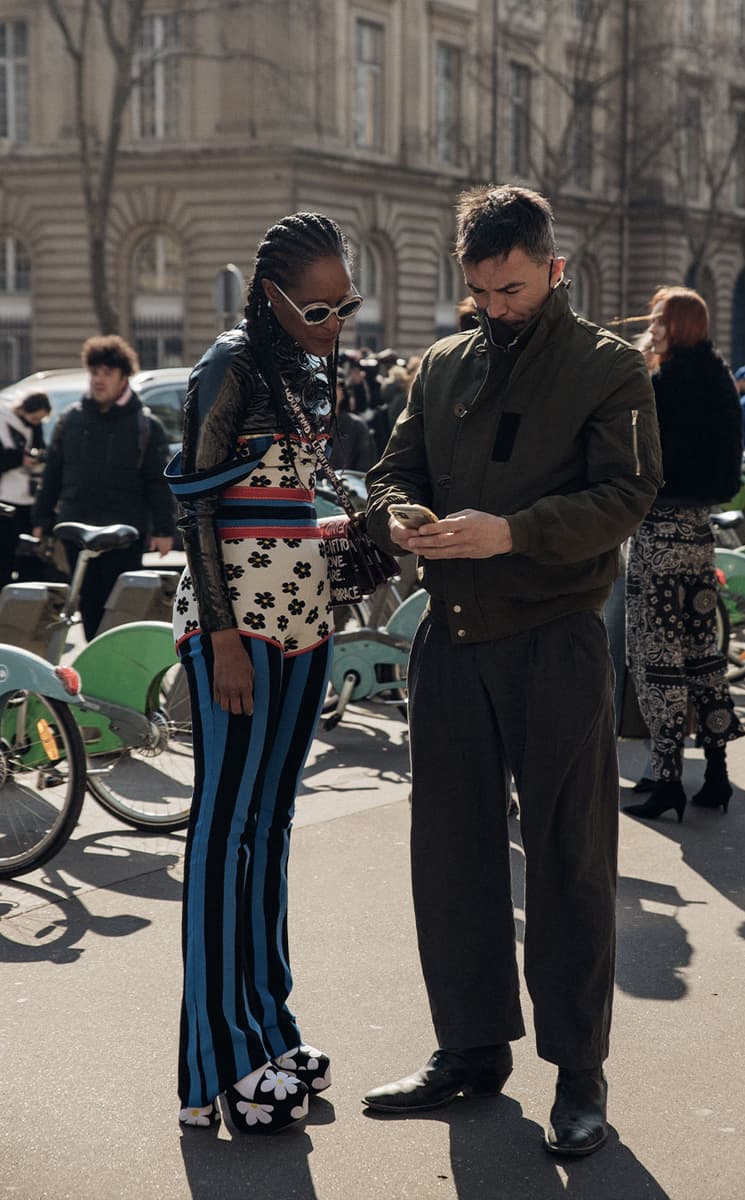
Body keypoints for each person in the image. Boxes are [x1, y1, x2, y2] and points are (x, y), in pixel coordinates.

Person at [362, 185, 662, 1157]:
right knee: (448, 853)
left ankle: (580, 1075)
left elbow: (626, 494)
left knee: (570, 863)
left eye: (514, 288)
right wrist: (400, 516)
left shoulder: (607, 368)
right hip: (449, 639)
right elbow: (392, 470)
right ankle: (469, 1047)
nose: (495, 306)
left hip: (554, 642)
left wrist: (511, 534)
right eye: (481, 291)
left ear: (553, 268)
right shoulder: (441, 364)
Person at [166, 212, 362, 1134]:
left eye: (343, 306)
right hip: (237, 627)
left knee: (273, 823)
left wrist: (345, 535)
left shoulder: (302, 364)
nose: (331, 323)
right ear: (272, 294)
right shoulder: (230, 363)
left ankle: (267, 1027)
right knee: (224, 824)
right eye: (316, 307)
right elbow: (196, 511)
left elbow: (285, 498)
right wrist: (224, 638)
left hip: (304, 616)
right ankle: (216, 1062)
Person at [623, 287, 745, 823]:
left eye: (658, 319)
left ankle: (668, 777)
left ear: (674, 326)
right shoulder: (718, 377)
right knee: (702, 653)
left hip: (656, 533)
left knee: (655, 658)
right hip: (698, 534)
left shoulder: (662, 384)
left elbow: (637, 457)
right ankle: (716, 773)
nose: (651, 325)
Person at [31, 336, 174, 638]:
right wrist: (41, 519)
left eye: (107, 373)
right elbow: (53, 473)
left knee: (123, 607)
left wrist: (164, 530)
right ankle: (93, 672)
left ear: (124, 377)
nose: (99, 380)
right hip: (75, 529)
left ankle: (116, 669)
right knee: (88, 604)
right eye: (95, 372)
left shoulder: (145, 425)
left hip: (125, 532)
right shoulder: (71, 419)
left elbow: (157, 482)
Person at [0, 392, 51, 590]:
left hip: (28, 498)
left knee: (29, 554)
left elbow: (41, 449)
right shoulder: (5, 421)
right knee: (6, 553)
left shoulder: (34, 428)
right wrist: (20, 459)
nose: (36, 423)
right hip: (6, 498)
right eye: (34, 418)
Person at [328, 372, 377, 471]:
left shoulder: (356, 426)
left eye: (332, 387)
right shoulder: (304, 426)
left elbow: (365, 467)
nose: (326, 392)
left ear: (341, 393)